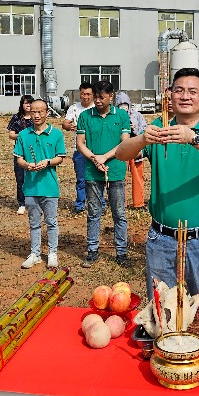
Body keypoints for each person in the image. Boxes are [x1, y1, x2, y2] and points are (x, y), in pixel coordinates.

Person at [117, 67, 199, 396]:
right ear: (170, 94)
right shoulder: (159, 129)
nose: (185, 96)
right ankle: (160, 387)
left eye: (193, 91)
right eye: (179, 90)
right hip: (162, 237)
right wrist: (143, 139)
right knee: (161, 311)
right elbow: (122, 153)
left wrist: (192, 138)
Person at [77, 81, 132, 268]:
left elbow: (125, 143)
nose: (98, 101)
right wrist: (95, 159)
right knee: (94, 212)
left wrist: (104, 157)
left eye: (102, 97)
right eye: (96, 97)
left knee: (119, 213)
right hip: (93, 172)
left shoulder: (122, 116)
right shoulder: (85, 116)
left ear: (111, 96)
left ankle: (121, 252)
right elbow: (80, 143)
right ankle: (92, 250)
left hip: (116, 171)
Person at [13, 99, 67, 268]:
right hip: (30, 187)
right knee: (34, 222)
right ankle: (35, 253)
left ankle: (52, 253)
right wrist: (27, 165)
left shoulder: (56, 134)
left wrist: (48, 162)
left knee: (51, 222)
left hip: (49, 186)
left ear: (47, 113)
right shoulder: (23, 135)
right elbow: (19, 158)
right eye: (33, 112)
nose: (36, 115)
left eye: (40, 112)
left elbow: (60, 157)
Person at [62, 82, 94, 212]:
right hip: (79, 150)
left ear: (93, 95)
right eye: (83, 94)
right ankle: (80, 204)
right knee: (81, 178)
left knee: (96, 179)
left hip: (95, 149)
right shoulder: (74, 108)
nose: (85, 97)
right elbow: (65, 123)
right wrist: (69, 126)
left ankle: (99, 204)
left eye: (88, 94)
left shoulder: (97, 108)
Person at [115, 91, 147, 209]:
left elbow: (144, 130)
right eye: (120, 105)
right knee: (120, 177)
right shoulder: (113, 116)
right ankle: (120, 203)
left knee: (138, 176)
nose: (123, 107)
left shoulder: (137, 115)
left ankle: (138, 203)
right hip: (121, 149)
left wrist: (134, 129)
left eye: (125, 105)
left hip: (136, 149)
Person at [6, 95, 34, 215]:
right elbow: (11, 134)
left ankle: (34, 201)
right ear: (22, 105)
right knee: (20, 178)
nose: (28, 105)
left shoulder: (36, 117)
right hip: (20, 152)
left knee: (34, 177)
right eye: (26, 103)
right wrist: (23, 136)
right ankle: (22, 203)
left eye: (30, 103)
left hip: (34, 152)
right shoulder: (16, 118)